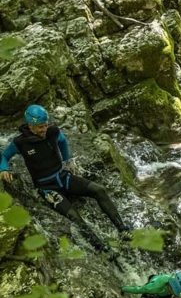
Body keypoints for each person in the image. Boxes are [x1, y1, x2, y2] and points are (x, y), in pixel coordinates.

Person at [0, 104, 130, 251]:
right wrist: (3, 168)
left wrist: (67, 161)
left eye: (45, 125)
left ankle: (123, 230)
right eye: (40, 127)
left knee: (99, 190)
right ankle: (101, 248)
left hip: (64, 178)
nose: (44, 130)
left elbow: (63, 141)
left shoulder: (53, 131)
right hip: (47, 188)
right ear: (31, 126)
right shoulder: (20, 142)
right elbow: (4, 156)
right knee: (75, 216)